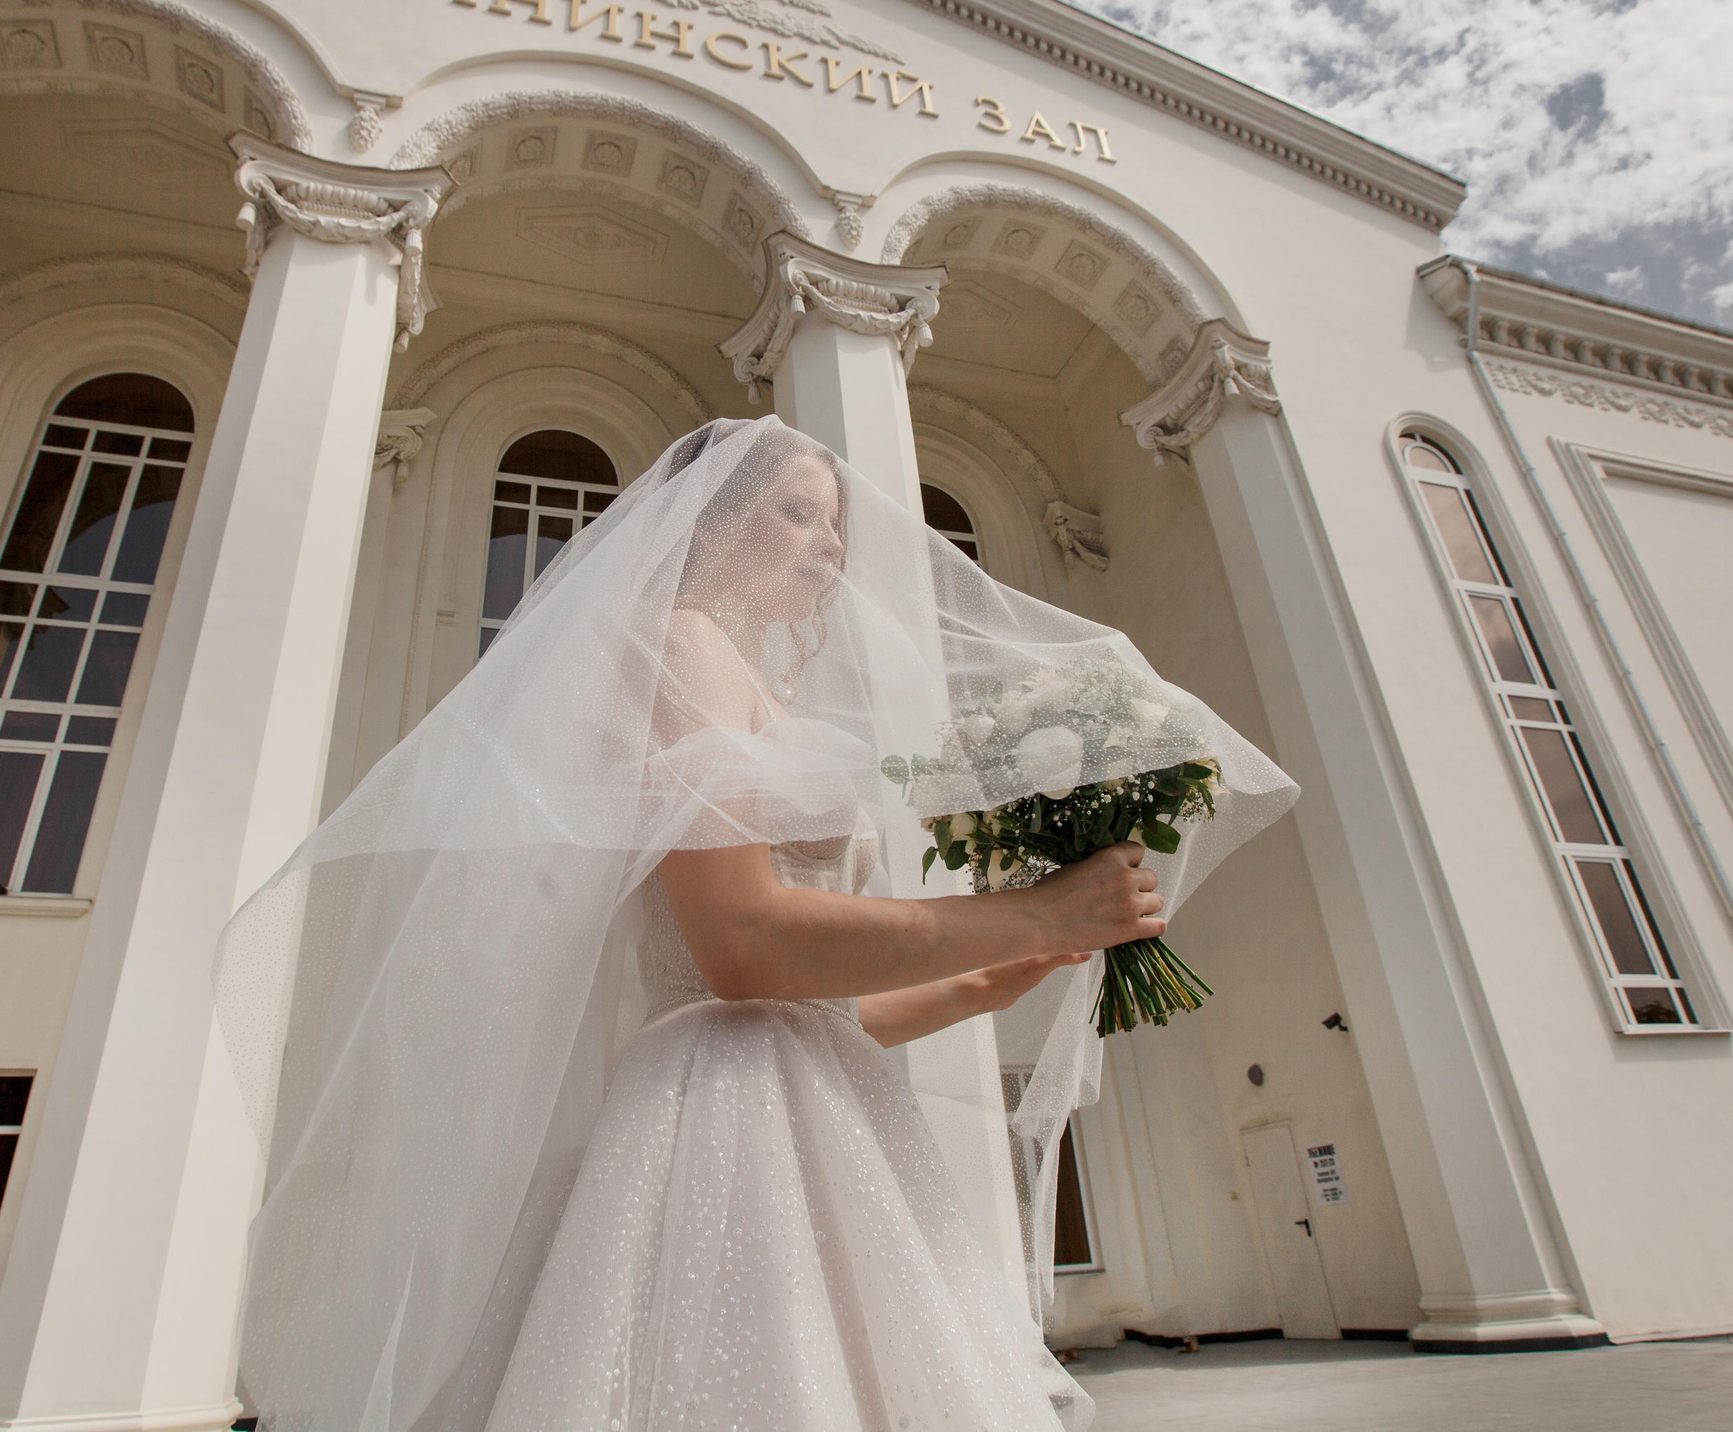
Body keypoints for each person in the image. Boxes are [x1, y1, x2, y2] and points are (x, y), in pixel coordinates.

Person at [215, 417, 1298, 1431]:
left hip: (801, 1091)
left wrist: (990, 974)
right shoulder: (679, 646)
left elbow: (815, 1010)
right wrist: (1031, 908)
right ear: (709, 523)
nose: (829, 542)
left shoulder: (744, 683)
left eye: (834, 518)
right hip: (722, 1115)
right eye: (796, 510)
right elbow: (740, 947)